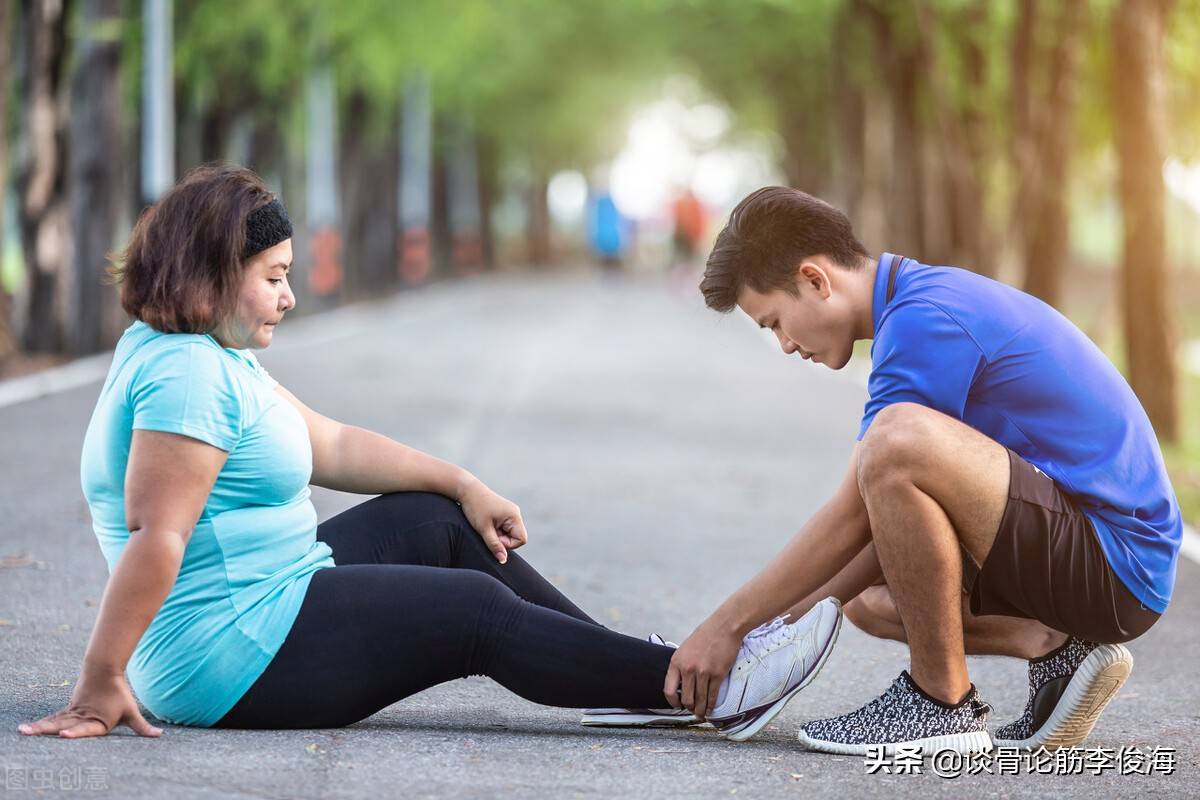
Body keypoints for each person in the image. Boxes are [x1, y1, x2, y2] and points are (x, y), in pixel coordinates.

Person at [16, 164, 840, 740]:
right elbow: (156, 536)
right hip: (226, 657)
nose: (290, 294)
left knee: (441, 521)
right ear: (210, 271)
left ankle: (640, 675)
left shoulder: (207, 356)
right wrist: (100, 678)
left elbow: (331, 443)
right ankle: (707, 688)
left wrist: (462, 481)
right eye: (273, 275)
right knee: (473, 618)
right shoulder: (189, 375)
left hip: (270, 595)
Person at [655, 186, 1180, 755]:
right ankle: (1054, 644)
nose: (784, 344)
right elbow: (875, 520)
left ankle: (939, 702)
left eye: (776, 322)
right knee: (860, 598)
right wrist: (762, 635)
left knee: (894, 443)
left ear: (815, 279)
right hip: (1089, 554)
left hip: (1116, 562)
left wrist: (726, 628)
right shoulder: (914, 303)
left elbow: (854, 509)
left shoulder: (924, 318)